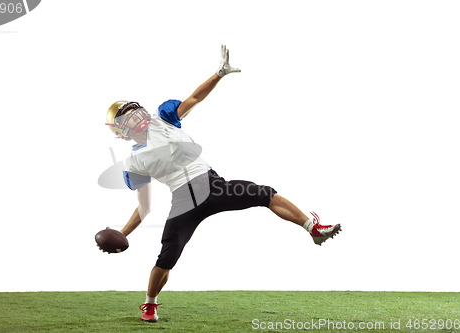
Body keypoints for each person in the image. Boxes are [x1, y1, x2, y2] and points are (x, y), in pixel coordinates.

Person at [104, 45, 341, 323]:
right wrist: (123, 233)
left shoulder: (163, 119)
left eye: (134, 111)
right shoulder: (133, 163)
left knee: (264, 194)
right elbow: (144, 208)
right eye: (127, 117)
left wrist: (218, 74)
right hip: (183, 201)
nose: (135, 116)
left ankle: (313, 228)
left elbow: (194, 98)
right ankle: (150, 303)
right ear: (120, 131)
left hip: (212, 184)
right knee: (168, 254)